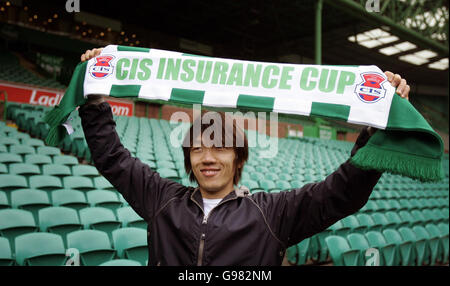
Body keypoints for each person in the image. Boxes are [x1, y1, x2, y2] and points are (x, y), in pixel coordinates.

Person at [79, 48, 410, 266]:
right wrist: (94, 100)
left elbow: (342, 194)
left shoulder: (272, 213)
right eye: (197, 149)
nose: (208, 157)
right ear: (189, 159)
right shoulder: (162, 199)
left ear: (239, 158)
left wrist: (371, 132)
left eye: (220, 147)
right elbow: (112, 156)